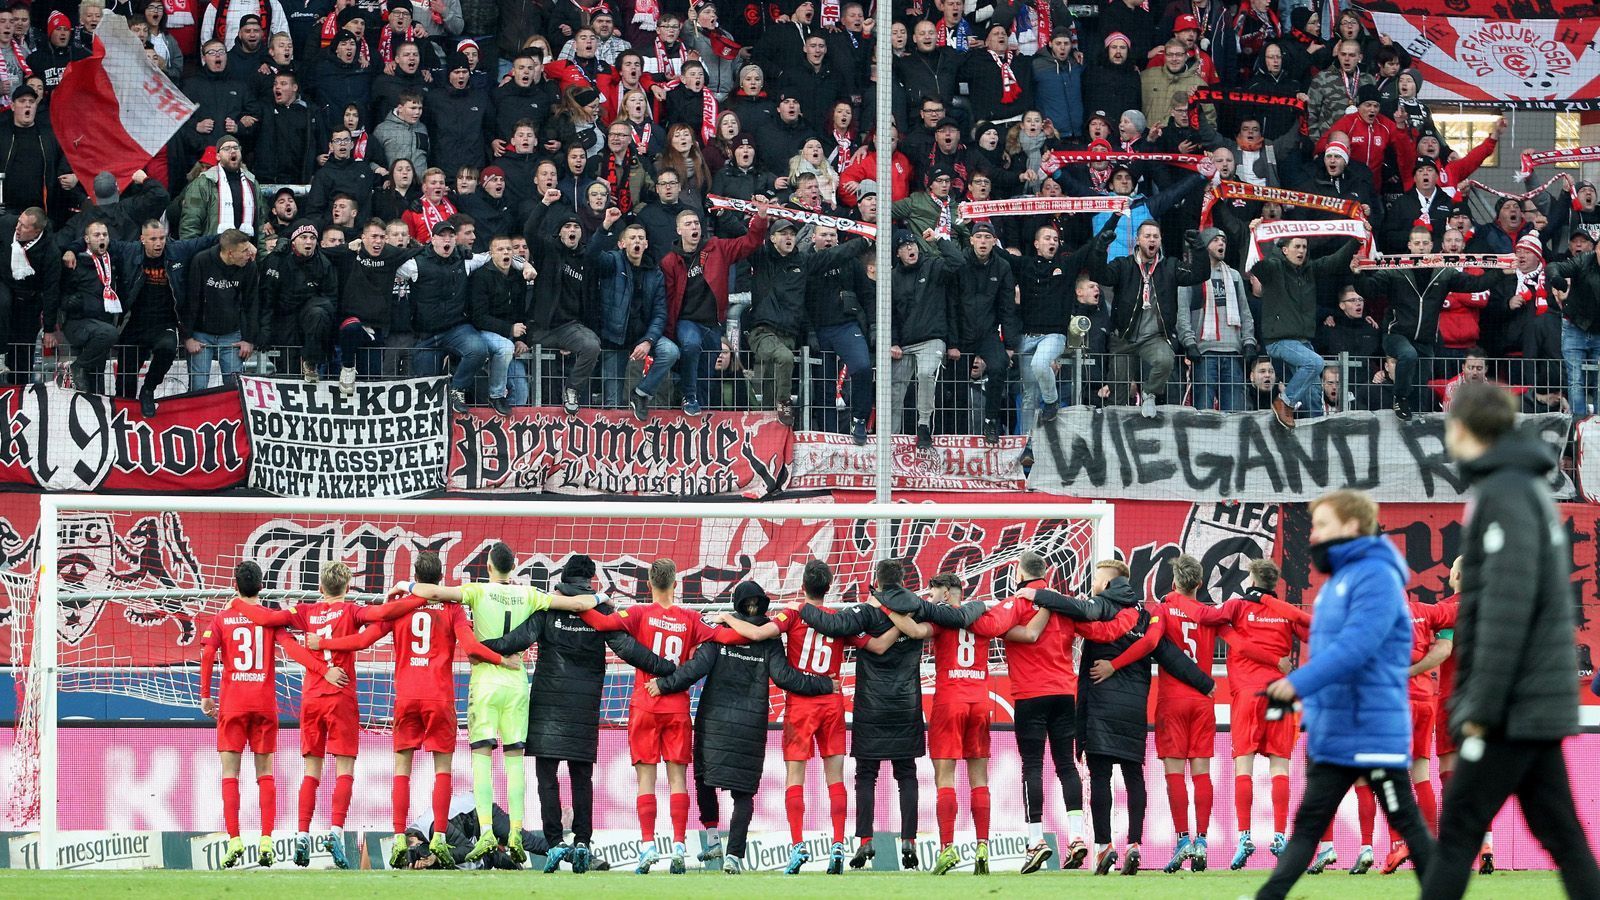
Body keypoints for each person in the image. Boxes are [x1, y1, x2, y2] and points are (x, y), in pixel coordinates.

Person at [1421, 382, 1600, 899]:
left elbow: (1506, 606)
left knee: (1457, 834)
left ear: (1467, 428)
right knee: (1564, 839)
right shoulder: (1522, 488)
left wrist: (1482, 703)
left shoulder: (1503, 493)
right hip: (1531, 704)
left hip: (1511, 707)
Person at [1255, 489, 1437, 900]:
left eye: (1323, 525)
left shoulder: (1377, 576)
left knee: (1406, 821)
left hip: (1371, 727)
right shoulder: (1341, 579)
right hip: (1336, 727)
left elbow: (1357, 646)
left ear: (1352, 526)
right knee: (1308, 825)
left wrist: (1297, 684)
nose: (1315, 535)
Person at [395, 542, 598, 863]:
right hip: (517, 683)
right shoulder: (531, 595)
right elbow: (577, 604)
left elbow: (434, 594)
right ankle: (516, 830)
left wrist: (405, 585)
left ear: (488, 566)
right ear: (513, 567)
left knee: (482, 760)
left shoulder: (475, 590)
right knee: (515, 761)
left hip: (486, 681)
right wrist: (599, 598)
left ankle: (488, 832)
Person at [479, 555, 674, 874]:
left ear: (564, 577)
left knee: (547, 777)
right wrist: (667, 669)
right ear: (590, 581)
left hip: (547, 703)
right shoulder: (601, 610)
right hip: (584, 704)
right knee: (582, 777)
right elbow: (628, 649)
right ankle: (583, 841)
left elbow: (517, 640)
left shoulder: (548, 606)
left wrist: (478, 645)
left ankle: (555, 843)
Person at [313, 551, 507, 871]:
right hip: (440, 697)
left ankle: (400, 836)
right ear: (440, 579)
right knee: (442, 769)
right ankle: (441, 837)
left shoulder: (401, 605)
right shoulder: (452, 607)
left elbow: (364, 640)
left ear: (414, 576)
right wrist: (503, 659)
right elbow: (471, 647)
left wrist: (323, 648)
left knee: (402, 768)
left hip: (407, 697)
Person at [792, 559, 985, 872]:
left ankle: (865, 840)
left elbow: (833, 626)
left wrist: (801, 608)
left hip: (871, 705)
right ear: (903, 582)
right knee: (906, 774)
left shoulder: (867, 611)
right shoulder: (918, 608)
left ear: (876, 582)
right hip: (906, 705)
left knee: (865, 775)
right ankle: (909, 839)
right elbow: (958, 616)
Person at [232, 560, 426, 868]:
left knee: (311, 772)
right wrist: (420, 596)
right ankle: (335, 832)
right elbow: (383, 615)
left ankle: (302, 836)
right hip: (341, 698)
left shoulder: (305, 612)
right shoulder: (352, 611)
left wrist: (239, 604)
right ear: (348, 589)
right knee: (344, 770)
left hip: (311, 698)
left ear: (320, 588)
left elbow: (267, 618)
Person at [577, 559, 748, 875]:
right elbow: (727, 639)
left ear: (649, 584)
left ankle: (647, 847)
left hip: (645, 704)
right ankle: (680, 846)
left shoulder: (639, 613)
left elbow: (600, 625)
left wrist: (577, 605)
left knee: (646, 779)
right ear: (676, 584)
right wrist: (742, 624)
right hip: (677, 708)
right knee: (677, 779)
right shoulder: (690, 618)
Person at [654, 581, 836, 875]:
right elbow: (785, 677)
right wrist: (824, 683)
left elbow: (694, 670)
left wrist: (662, 684)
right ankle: (734, 856)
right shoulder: (769, 639)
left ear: (736, 604)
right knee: (743, 794)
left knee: (703, 778)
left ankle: (712, 838)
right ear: (762, 604)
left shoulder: (719, 634)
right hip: (751, 724)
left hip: (714, 720)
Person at [714, 560, 854, 874]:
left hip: (802, 705)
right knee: (836, 779)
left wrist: (725, 616)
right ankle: (838, 844)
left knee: (795, 779)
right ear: (828, 587)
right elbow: (870, 643)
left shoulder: (792, 614)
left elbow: (757, 632)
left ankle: (797, 846)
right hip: (832, 701)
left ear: (803, 586)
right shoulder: (841, 620)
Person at [1076, 559, 1214, 875]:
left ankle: (1104, 847)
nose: (1093, 582)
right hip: (1137, 707)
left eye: (1097, 577)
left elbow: (1152, 643)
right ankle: (1136, 844)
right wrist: (1205, 683)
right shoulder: (1147, 614)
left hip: (1103, 704)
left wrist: (1112, 665)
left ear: (1108, 582)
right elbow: (1166, 651)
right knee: (1134, 776)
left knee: (1100, 778)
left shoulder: (1100, 608)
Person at [198, 561, 330, 868]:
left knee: (230, 774)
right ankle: (267, 840)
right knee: (265, 774)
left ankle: (234, 841)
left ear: (235, 585)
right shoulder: (270, 621)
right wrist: (322, 669)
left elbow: (206, 654)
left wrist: (205, 696)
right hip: (263, 704)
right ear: (262, 586)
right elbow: (294, 649)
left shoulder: (222, 618)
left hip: (232, 704)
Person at [589, 209, 679, 421]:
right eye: (632, 238)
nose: (637, 242)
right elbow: (591, 255)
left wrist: (648, 341)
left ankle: (641, 393)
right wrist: (605, 227)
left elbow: (660, 312)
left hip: (642, 336)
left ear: (646, 244)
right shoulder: (612, 261)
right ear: (622, 244)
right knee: (613, 403)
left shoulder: (655, 273)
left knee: (671, 351)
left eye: (641, 238)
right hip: (614, 337)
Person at [183, 228, 258, 390]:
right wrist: (188, 336)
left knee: (234, 387)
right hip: (201, 334)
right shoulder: (201, 261)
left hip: (232, 335)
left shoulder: (249, 266)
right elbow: (191, 301)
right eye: (244, 251)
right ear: (230, 253)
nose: (249, 254)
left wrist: (249, 339)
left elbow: (251, 303)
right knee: (198, 386)